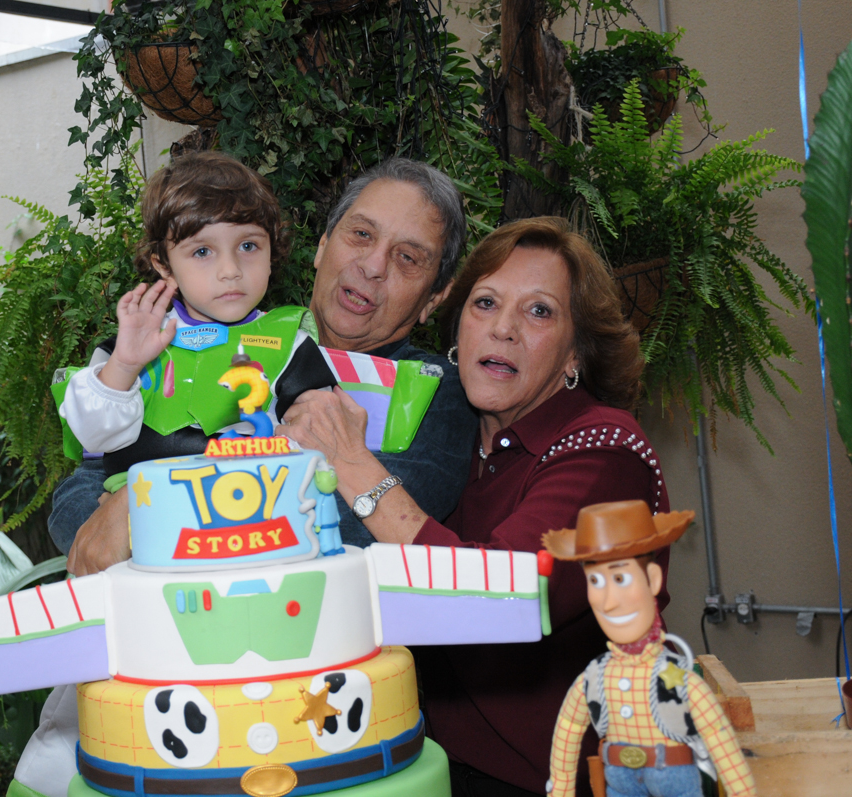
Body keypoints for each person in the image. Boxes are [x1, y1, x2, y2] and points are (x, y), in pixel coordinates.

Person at [279, 216, 670, 795]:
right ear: (458, 328)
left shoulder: (606, 451)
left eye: (540, 311)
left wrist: (353, 463)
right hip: (432, 768)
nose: (504, 329)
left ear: (574, 355)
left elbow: (506, 596)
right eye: (486, 302)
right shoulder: (452, 440)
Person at [48, 157, 479, 576]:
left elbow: (352, 526)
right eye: (361, 234)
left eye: (407, 258)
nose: (373, 265)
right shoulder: (171, 345)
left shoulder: (430, 393)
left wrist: (141, 505)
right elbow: (79, 496)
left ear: (436, 297)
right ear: (323, 246)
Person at [57, 151, 339, 489]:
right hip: (139, 513)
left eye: (248, 246)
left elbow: (325, 442)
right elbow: (94, 436)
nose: (231, 271)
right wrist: (124, 366)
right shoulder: (130, 345)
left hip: (252, 508)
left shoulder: (291, 345)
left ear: (272, 251)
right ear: (163, 265)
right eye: (202, 252)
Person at [543, 500, 754, 797]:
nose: (608, 600)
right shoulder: (594, 679)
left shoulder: (679, 680)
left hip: (675, 781)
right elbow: (567, 727)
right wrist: (561, 789)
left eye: (620, 578)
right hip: (617, 782)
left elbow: (719, 738)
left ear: (653, 579)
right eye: (595, 580)